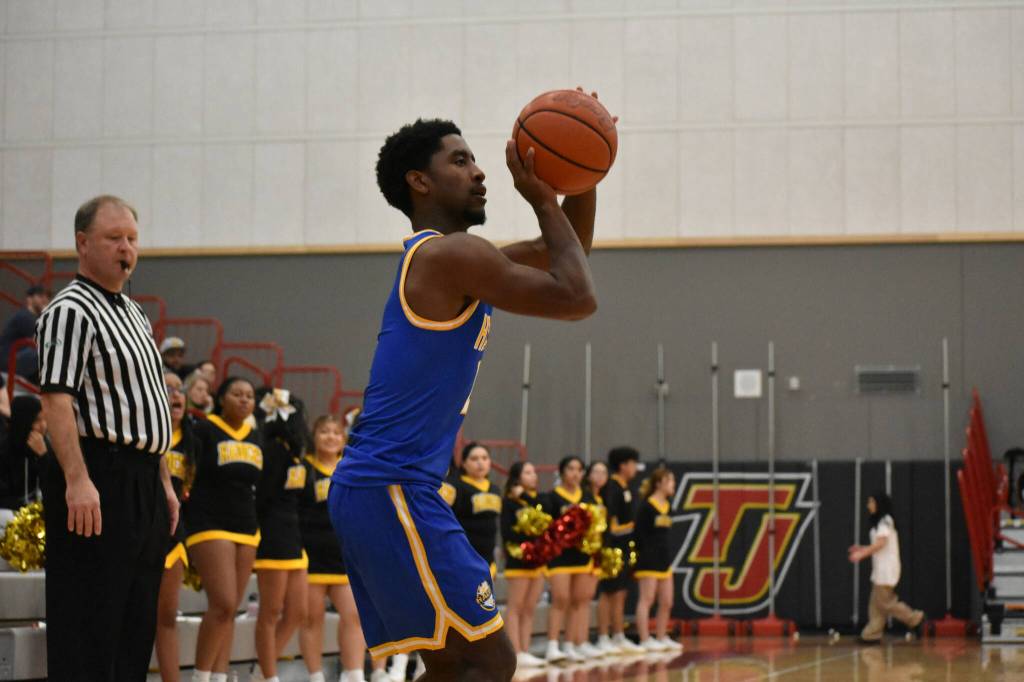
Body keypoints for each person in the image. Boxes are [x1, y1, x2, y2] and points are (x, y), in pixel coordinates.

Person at [328, 102, 603, 681]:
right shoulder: (452, 255)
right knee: (490, 660)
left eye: (475, 159)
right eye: (461, 161)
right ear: (419, 182)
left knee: (455, 666)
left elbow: (569, 251)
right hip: (393, 486)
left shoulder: (462, 260)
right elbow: (577, 296)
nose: (479, 171)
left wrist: (580, 177)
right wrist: (545, 199)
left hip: (388, 487)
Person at [35, 194, 176, 680]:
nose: (127, 248)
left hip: (143, 481)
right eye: (114, 238)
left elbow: (148, 402)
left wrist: (164, 483)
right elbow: (55, 400)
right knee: (90, 626)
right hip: (98, 478)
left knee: (135, 630)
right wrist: (77, 479)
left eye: (133, 239)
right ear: (82, 243)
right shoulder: (70, 310)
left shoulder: (134, 314)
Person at [299, 413, 388, 682]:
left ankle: (354, 674)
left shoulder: (351, 468)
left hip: (345, 555)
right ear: (313, 436)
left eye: (336, 433)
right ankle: (315, 676)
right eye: (324, 431)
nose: (330, 437)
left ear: (344, 439)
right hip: (310, 554)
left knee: (354, 616)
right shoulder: (303, 468)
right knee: (311, 619)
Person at [184, 376, 261, 682]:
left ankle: (219, 675)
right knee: (223, 603)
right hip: (210, 521)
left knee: (231, 610)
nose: (244, 400)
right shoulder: (204, 429)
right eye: (237, 394)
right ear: (221, 398)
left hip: (247, 526)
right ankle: (200, 677)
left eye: (249, 396)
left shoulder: (256, 435)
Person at [252, 389, 310, 682]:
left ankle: (262, 671)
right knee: (271, 611)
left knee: (298, 612)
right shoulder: (274, 449)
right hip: (273, 536)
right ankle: (269, 675)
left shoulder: (294, 452)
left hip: (294, 538)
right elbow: (263, 497)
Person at [155, 371, 197, 682]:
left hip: (174, 532)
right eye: (166, 387)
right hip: (138, 526)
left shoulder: (195, 439)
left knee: (166, 617)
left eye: (178, 388)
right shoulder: (144, 434)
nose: (174, 394)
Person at [543, 456, 599, 664]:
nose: (575, 473)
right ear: (562, 472)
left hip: (582, 556)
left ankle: (570, 644)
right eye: (571, 469)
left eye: (579, 469)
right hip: (559, 556)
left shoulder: (587, 496)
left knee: (579, 601)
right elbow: (546, 529)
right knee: (560, 599)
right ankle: (552, 645)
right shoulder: (552, 498)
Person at [848, 492, 925, 643]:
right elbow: (878, 544)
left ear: (878, 504)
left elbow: (880, 544)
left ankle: (916, 618)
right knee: (876, 604)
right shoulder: (881, 522)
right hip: (880, 569)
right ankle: (871, 634)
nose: (868, 505)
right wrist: (861, 549)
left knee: (885, 603)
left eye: (871, 502)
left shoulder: (885, 521)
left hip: (886, 569)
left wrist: (862, 555)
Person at [597, 446, 644, 655]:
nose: (635, 468)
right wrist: (636, 526)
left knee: (621, 593)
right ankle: (602, 636)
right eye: (633, 463)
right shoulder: (612, 487)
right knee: (609, 592)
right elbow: (613, 525)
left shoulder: (628, 487)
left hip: (626, 548)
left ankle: (618, 634)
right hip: (612, 549)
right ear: (623, 465)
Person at [500, 461, 547, 669]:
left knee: (529, 607)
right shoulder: (509, 502)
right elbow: (507, 532)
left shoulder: (538, 500)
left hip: (538, 561)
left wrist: (526, 497)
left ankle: (525, 650)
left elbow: (548, 522)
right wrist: (527, 544)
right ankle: (515, 652)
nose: (533, 476)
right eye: (528, 472)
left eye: (534, 472)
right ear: (517, 477)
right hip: (518, 559)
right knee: (515, 607)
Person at [633, 467, 682, 653]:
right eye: (670, 481)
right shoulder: (647, 506)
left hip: (664, 559)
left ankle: (661, 636)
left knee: (667, 600)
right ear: (659, 483)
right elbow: (639, 534)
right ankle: (645, 639)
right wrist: (642, 555)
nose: (673, 485)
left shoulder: (669, 505)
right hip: (648, 558)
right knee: (646, 599)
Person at [444, 442, 502, 578]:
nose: (480, 463)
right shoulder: (454, 486)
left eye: (484, 458)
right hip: (463, 557)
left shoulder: (495, 489)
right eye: (474, 459)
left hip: (488, 559)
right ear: (463, 463)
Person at [577, 460, 609, 657]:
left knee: (587, 599)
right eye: (596, 472)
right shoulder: (585, 497)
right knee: (578, 599)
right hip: (582, 553)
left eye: (604, 473)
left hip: (596, 553)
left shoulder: (599, 498)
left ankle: (583, 640)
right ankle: (575, 642)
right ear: (589, 475)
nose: (600, 476)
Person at [0, 395, 49, 509]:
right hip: (12, 509)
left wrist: (44, 456)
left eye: (44, 419)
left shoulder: (44, 445)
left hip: (36, 507)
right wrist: (25, 510)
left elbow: (55, 486)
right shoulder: (4, 450)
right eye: (37, 420)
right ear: (23, 422)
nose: (43, 426)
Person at [0, 284, 50, 383]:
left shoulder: (35, 318)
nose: (45, 299)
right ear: (29, 299)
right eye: (40, 296)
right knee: (49, 347)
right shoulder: (25, 316)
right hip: (8, 363)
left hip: (18, 360)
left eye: (47, 297)